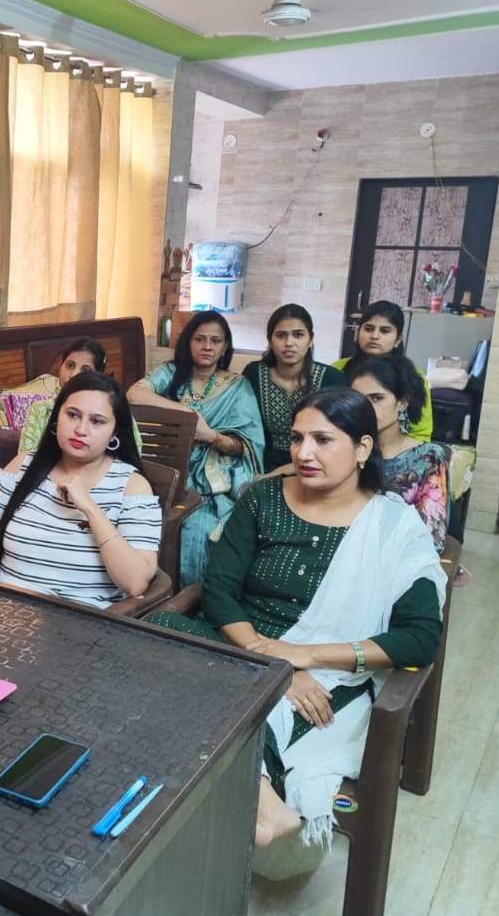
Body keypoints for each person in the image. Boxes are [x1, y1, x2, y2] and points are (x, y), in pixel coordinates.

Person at [147, 389, 444, 848]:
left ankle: (248, 804)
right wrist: (275, 665)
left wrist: (302, 657)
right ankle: (264, 804)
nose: (304, 453)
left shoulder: (394, 528)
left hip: (329, 673)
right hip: (242, 643)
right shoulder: (262, 498)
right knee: (158, 630)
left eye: (323, 440)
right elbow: (221, 592)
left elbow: (419, 638)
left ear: (363, 449)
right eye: (297, 438)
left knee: (203, 698)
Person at [0, 371, 161, 609]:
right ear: (57, 418)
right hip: (2, 611)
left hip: (79, 626)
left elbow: (135, 582)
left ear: (114, 434)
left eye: (97, 421)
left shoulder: (132, 486)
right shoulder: (23, 466)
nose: (81, 429)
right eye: (73, 415)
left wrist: (89, 508)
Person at [127, 310, 264, 585]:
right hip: (165, 466)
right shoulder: (170, 373)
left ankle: (188, 600)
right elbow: (133, 394)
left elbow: (245, 447)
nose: (207, 346)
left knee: (195, 527)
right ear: (188, 341)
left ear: (225, 346)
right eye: (200, 339)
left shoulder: (237, 387)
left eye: (216, 340)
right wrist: (185, 415)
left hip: (214, 479)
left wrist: (209, 435)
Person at [349, 355, 450, 551]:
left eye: (377, 398)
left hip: (396, 559)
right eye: (359, 399)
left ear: (402, 402)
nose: (367, 407)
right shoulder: (343, 448)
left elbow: (431, 537)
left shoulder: (427, 458)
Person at [242, 304, 346, 473]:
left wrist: (283, 472)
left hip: (316, 465)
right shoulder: (254, 373)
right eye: (281, 335)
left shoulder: (331, 378)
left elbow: (338, 438)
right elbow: (246, 428)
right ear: (270, 340)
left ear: (310, 339)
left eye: (298, 335)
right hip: (260, 465)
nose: (289, 343)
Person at [16, 337, 141, 455]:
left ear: (98, 376)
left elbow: (132, 458)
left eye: (85, 370)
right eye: (70, 365)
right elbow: (25, 461)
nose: (74, 375)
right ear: (60, 366)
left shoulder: (115, 414)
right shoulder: (41, 411)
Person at [332, 301, 434, 442]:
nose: (374, 336)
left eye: (385, 331)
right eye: (368, 329)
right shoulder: (337, 369)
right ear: (358, 332)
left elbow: (421, 433)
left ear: (398, 339)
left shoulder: (412, 376)